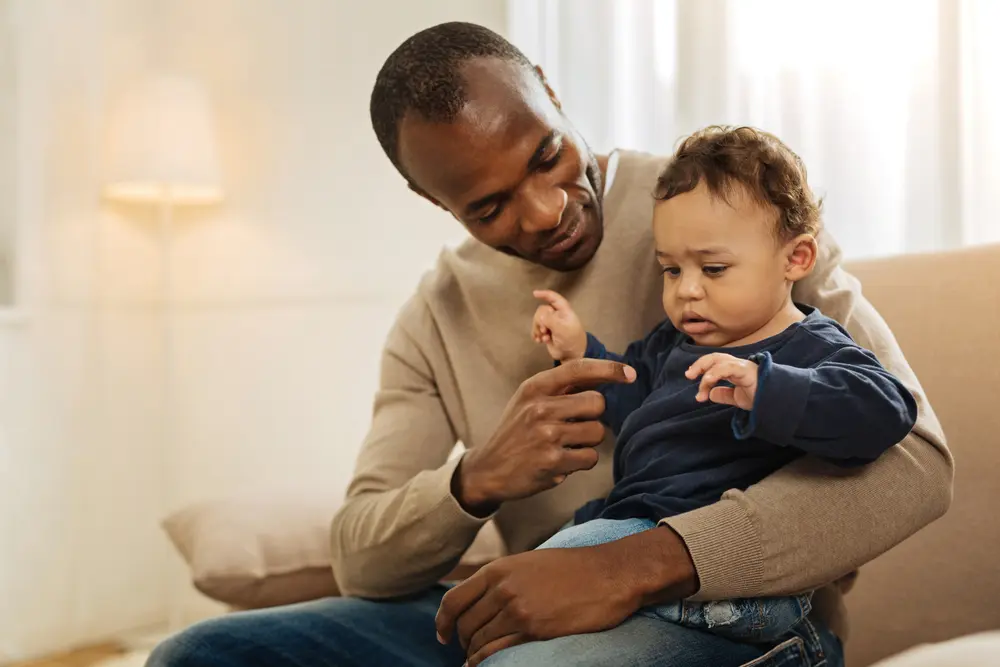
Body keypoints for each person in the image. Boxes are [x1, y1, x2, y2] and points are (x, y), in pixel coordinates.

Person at [147, 21, 951, 667]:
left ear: (554, 94)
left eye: (546, 154)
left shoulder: (716, 206)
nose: (542, 210)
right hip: (526, 606)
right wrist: (476, 477)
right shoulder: (436, 315)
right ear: (433, 200)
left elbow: (916, 464)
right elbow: (362, 556)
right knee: (199, 654)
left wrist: (626, 566)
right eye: (488, 205)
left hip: (723, 620)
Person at [526, 125, 918, 650]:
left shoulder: (810, 347)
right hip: (637, 537)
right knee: (536, 574)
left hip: (724, 570)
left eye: (713, 268)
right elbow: (631, 398)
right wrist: (580, 350)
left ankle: (779, 636)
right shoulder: (673, 344)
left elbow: (886, 411)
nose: (687, 290)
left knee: (551, 569)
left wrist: (767, 390)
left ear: (796, 259)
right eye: (670, 270)